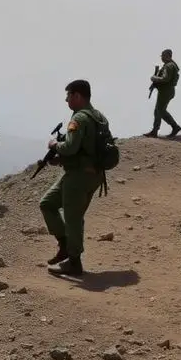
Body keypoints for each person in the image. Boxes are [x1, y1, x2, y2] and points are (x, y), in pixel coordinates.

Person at [38, 80, 108, 276]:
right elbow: (86, 149)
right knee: (47, 203)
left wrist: (54, 145)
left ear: (78, 96)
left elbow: (70, 147)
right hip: (90, 174)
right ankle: (65, 246)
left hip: (80, 177)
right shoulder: (99, 117)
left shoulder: (79, 119)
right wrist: (60, 160)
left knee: (73, 218)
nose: (66, 99)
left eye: (68, 95)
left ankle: (74, 262)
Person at [144, 48, 181, 138]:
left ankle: (172, 127)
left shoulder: (169, 66)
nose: (162, 58)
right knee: (159, 111)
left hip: (166, 92)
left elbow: (165, 79)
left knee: (159, 111)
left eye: (163, 56)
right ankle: (157, 130)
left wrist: (154, 78)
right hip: (166, 91)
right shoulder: (170, 65)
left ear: (168, 56)